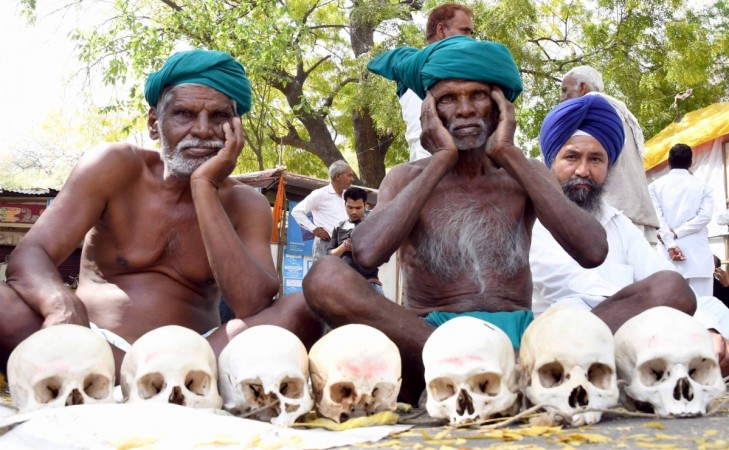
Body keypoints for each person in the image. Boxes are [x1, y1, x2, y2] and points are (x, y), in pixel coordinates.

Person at [304, 35, 609, 403]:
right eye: (448, 98)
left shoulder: (526, 172)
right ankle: (486, 368)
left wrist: (508, 153)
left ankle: (511, 366)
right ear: (430, 112)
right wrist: (441, 161)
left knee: (665, 289)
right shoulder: (406, 177)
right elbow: (366, 254)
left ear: (500, 108)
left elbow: (592, 251)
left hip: (522, 338)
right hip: (430, 344)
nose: (464, 109)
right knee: (324, 277)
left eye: (478, 96)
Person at [0, 49, 322, 374]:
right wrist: (61, 306)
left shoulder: (246, 203)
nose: (202, 130)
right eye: (184, 114)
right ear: (155, 123)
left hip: (194, 360)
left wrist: (204, 186)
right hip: (90, 348)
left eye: (220, 117)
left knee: (301, 308)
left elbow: (252, 305)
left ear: (236, 129)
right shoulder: (114, 166)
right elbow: (29, 256)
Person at [530, 97, 729, 372]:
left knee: (712, 310)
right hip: (561, 340)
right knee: (670, 291)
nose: (583, 171)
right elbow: (573, 292)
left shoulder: (616, 222)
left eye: (596, 159)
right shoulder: (530, 221)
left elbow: (658, 276)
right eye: (572, 157)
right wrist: (665, 312)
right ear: (551, 161)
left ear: (608, 167)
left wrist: (707, 328)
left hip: (632, 335)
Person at [560, 65, 660, 245]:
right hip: (636, 215)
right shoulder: (621, 112)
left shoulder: (587, 108)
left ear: (582, 87)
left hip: (609, 216)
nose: (562, 98)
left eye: (565, 91)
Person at [399, 3, 474, 162]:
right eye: (464, 31)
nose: (470, 39)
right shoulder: (419, 72)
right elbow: (423, 142)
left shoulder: (460, 70)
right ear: (441, 30)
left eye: (471, 33)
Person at [648, 143, 714, 297]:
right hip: (699, 259)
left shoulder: (654, 187)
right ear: (691, 162)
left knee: (671, 312)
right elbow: (705, 217)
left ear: (669, 162)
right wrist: (676, 233)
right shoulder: (704, 187)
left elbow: (657, 219)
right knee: (704, 311)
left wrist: (671, 242)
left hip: (668, 258)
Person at [291, 160, 353, 261]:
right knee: (323, 276)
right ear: (338, 176)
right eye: (349, 175)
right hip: (325, 245)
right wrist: (313, 229)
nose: (352, 179)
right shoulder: (320, 194)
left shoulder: (348, 196)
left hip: (345, 247)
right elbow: (296, 211)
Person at [326, 187, 383, 295]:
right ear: (345, 205)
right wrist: (343, 247)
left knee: (382, 310)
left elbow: (380, 256)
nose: (353, 212)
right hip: (341, 280)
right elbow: (329, 254)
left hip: (368, 280)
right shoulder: (339, 227)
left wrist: (359, 248)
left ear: (365, 205)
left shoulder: (374, 225)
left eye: (358, 208)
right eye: (350, 207)